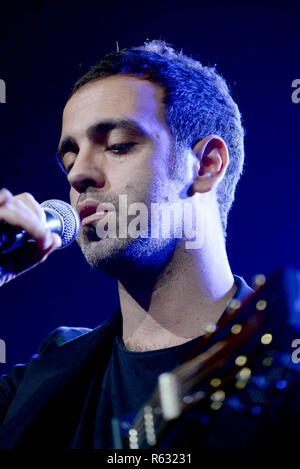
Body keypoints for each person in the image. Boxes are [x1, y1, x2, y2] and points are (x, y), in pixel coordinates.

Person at [0, 40, 297, 449]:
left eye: (118, 145)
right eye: (69, 160)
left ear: (206, 165)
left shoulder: (285, 371)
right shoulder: (40, 384)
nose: (78, 175)